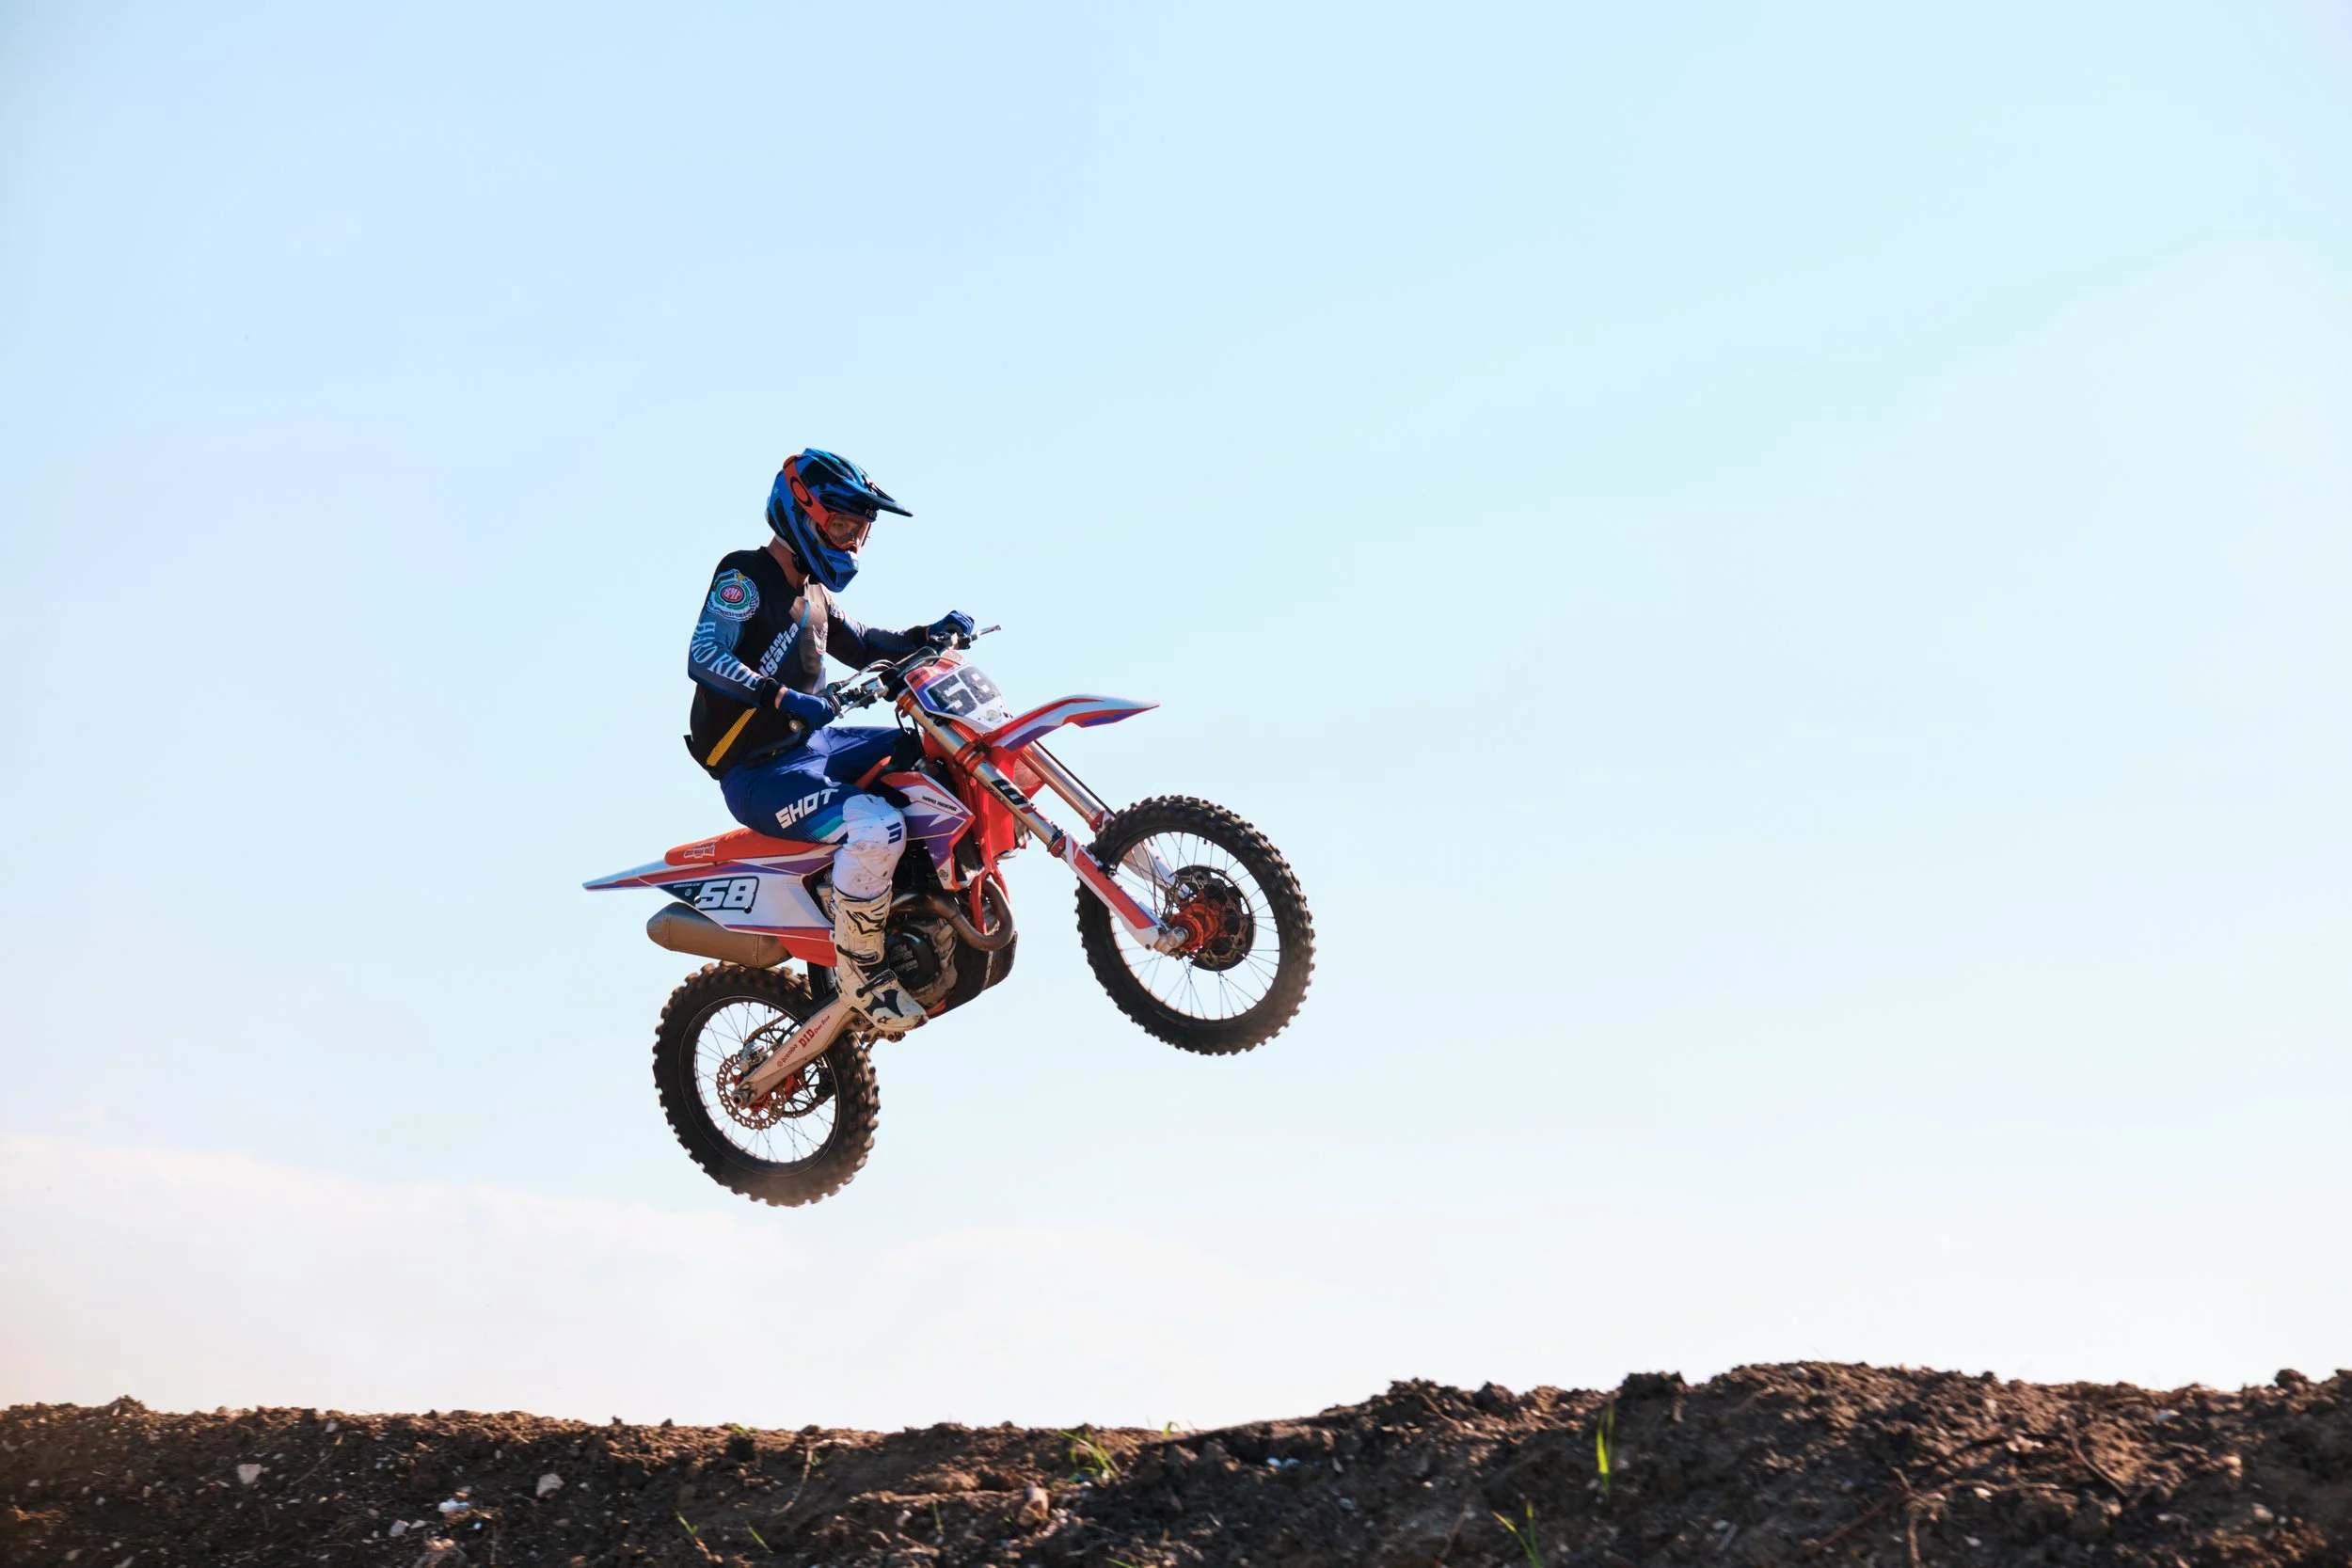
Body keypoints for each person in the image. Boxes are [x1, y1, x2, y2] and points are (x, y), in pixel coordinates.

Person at [685, 448, 973, 1035]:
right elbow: (704, 653)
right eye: (842, 526)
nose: (851, 542)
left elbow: (863, 643)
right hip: (759, 774)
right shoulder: (745, 576)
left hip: (814, 749)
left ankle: (915, 911)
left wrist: (928, 634)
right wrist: (780, 697)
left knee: (925, 755)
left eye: (860, 531)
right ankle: (860, 967)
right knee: (877, 827)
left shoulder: (814, 593)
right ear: (801, 513)